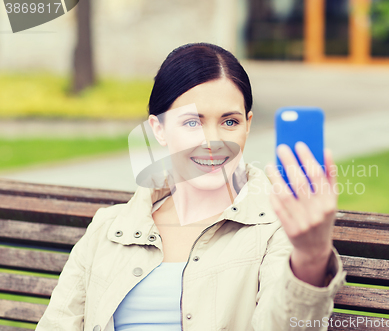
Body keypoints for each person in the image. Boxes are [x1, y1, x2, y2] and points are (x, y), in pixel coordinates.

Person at [35, 42, 346, 331]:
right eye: (192, 122)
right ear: (159, 128)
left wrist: (310, 255)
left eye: (229, 122)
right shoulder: (110, 228)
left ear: (248, 125)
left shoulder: (278, 228)